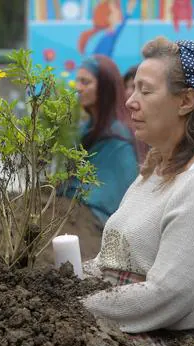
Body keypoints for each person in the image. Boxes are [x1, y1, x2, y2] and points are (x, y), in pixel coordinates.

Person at [82, 37, 194, 334]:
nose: (130, 101)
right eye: (133, 88)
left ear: (186, 101)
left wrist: (75, 308)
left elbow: (170, 294)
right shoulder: (158, 168)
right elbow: (112, 260)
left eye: (146, 91)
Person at [67, 54, 140, 225]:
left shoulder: (118, 136)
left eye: (85, 82)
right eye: (77, 81)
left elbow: (108, 195)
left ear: (105, 87)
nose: (78, 88)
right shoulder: (86, 127)